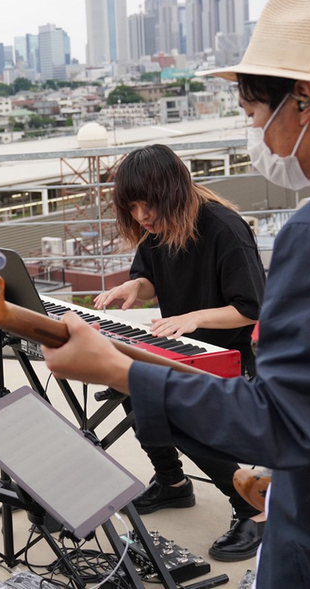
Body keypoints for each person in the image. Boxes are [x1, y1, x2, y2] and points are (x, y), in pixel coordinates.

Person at [43, 0, 310, 585]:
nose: (255, 131)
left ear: (303, 100)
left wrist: (120, 370)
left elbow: (285, 424)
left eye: (252, 111)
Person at [94, 144, 265, 561]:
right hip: (183, 348)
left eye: (147, 204)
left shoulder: (224, 229)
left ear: (172, 192)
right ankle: (172, 483)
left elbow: (252, 307)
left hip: (230, 356)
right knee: (127, 379)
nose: (141, 216)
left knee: (171, 408)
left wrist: (194, 317)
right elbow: (149, 279)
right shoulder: (158, 228)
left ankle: (254, 509)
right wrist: (133, 287)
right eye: (131, 207)